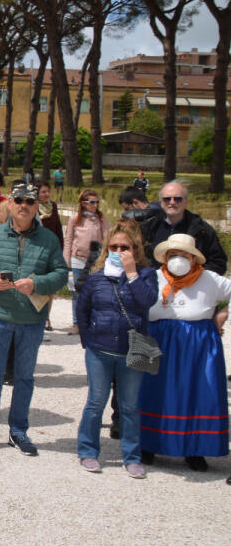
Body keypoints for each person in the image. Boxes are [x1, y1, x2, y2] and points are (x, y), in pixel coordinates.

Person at [0, 183, 69, 456]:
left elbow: (60, 273)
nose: (23, 205)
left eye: (29, 201)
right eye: (19, 200)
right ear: (9, 204)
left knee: (24, 377)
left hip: (31, 318)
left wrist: (37, 284)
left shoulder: (48, 239)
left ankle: (18, 430)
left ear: (36, 206)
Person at [139, 233, 231, 474]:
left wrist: (223, 312)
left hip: (197, 342)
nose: (177, 259)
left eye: (182, 254)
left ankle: (194, 449)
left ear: (193, 257)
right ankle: (148, 445)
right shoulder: (154, 277)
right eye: (172, 254)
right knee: (152, 391)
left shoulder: (211, 279)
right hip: (158, 336)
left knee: (197, 394)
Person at [74, 226, 158, 478]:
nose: (119, 252)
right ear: (106, 249)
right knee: (95, 402)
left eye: (125, 247)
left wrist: (132, 273)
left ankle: (132, 457)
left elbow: (147, 302)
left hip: (132, 350)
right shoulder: (96, 277)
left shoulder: (146, 274)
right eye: (114, 247)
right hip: (100, 350)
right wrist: (87, 339)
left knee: (130, 406)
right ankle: (88, 452)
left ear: (135, 250)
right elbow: (83, 309)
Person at [139, 182, 228, 276]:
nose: (172, 202)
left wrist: (194, 278)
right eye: (167, 199)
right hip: (157, 284)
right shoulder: (148, 226)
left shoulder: (201, 229)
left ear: (186, 202)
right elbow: (140, 258)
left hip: (192, 285)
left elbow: (218, 262)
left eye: (177, 199)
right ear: (161, 202)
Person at [64, 190, 109, 333]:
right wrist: (66, 261)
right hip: (77, 259)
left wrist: (106, 258)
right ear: (83, 203)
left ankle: (92, 322)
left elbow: (107, 239)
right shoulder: (74, 219)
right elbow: (69, 240)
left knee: (95, 292)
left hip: (95, 260)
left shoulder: (101, 218)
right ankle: (76, 323)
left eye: (97, 202)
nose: (95, 205)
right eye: (92, 202)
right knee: (76, 292)